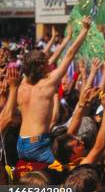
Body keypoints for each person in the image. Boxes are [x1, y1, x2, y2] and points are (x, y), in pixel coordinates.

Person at [16, 17, 92, 164]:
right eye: (46, 64)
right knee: (62, 174)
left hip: (21, 143)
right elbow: (70, 55)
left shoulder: (23, 83)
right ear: (41, 67)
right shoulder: (48, 83)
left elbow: (40, 61)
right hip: (37, 145)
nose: (50, 64)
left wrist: (65, 39)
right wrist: (84, 30)